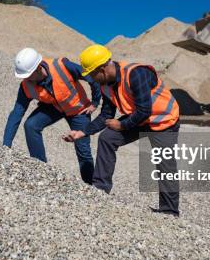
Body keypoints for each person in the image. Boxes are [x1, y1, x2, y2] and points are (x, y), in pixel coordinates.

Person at [63, 44, 181, 216]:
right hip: (139, 118)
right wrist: (82, 133)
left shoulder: (136, 74)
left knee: (165, 164)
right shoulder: (105, 84)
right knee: (107, 138)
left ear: (102, 69)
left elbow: (144, 110)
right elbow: (106, 115)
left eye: (92, 74)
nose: (92, 80)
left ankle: (169, 212)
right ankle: (100, 190)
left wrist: (122, 125)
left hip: (164, 120)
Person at [3, 47, 100, 184]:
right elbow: (16, 114)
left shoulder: (62, 66)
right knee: (31, 125)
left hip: (79, 110)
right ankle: (40, 168)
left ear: (38, 68)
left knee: (83, 150)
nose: (25, 79)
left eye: (27, 75)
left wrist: (95, 102)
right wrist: (5, 146)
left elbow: (90, 77)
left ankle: (92, 187)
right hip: (54, 108)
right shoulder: (26, 86)